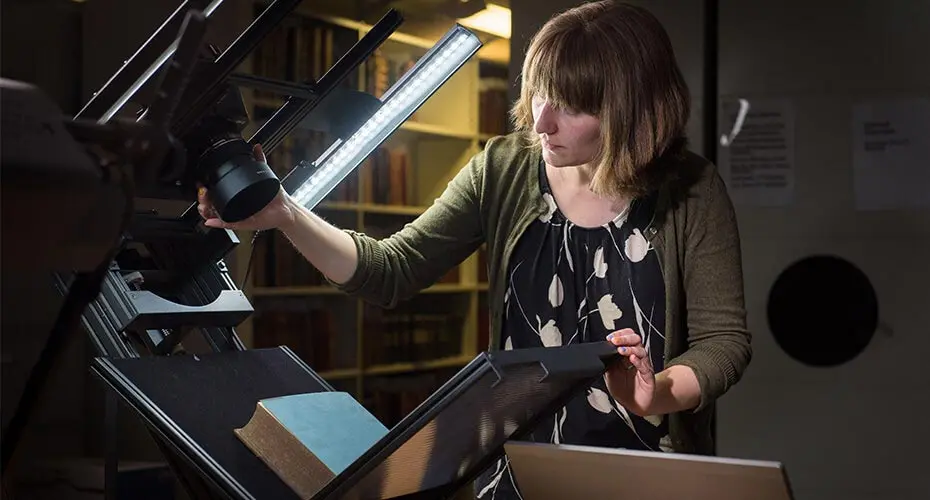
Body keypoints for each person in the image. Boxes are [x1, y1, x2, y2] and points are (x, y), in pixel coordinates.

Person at [198, 1, 752, 498]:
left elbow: (723, 342)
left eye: (569, 108)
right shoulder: (504, 167)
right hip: (518, 478)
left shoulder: (692, 190)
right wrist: (286, 216)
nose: (541, 123)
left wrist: (653, 396)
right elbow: (391, 271)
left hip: (649, 478)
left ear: (630, 111)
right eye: (539, 95)